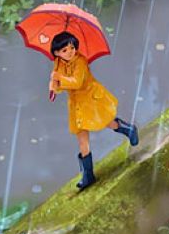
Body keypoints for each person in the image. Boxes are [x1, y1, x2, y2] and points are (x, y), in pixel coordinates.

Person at [48, 31, 139, 191]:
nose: (70, 52)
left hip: (90, 99)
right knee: (82, 139)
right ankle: (88, 174)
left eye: (71, 48)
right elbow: (63, 87)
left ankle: (129, 130)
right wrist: (55, 85)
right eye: (64, 50)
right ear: (56, 53)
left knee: (107, 123)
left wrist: (60, 79)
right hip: (76, 105)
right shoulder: (58, 64)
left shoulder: (81, 61)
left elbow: (76, 82)